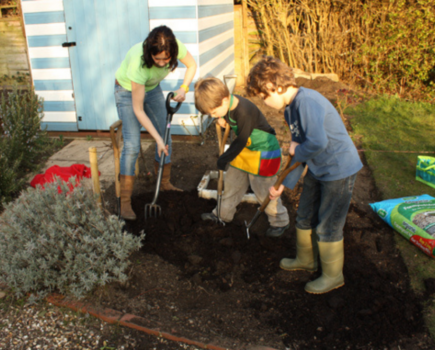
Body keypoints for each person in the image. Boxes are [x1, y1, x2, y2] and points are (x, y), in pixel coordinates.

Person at [246, 56, 363, 294]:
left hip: (338, 170)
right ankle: (306, 260)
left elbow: (317, 143)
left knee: (328, 225)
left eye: (264, 96)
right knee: (305, 215)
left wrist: (298, 149)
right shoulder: (290, 110)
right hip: (318, 168)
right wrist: (284, 184)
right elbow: (297, 153)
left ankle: (333, 276)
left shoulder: (307, 102)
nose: (265, 102)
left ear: (274, 85)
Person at [114, 25, 197, 220]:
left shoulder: (177, 47)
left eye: (166, 59)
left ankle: (165, 183)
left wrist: (184, 88)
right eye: (156, 58)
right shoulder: (138, 62)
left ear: (173, 52)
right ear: (149, 52)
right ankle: (124, 202)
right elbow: (138, 110)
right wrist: (157, 140)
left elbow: (192, 65)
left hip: (152, 89)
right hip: (127, 93)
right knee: (133, 145)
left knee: (166, 136)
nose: (161, 63)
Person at [194, 77, 290, 237]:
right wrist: (225, 120)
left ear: (224, 100)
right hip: (244, 150)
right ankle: (222, 215)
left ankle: (280, 222)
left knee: (264, 191)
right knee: (232, 183)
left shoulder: (244, 110)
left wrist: (224, 158)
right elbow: (235, 126)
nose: (212, 116)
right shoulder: (228, 106)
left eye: (214, 112)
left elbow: (242, 139)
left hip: (263, 152)